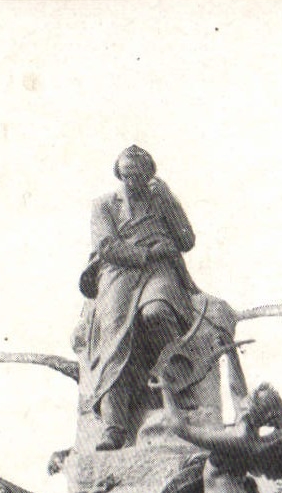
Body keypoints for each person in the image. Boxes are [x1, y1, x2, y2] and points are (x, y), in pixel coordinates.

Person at [81, 145, 197, 450]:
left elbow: (186, 240)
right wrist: (146, 252)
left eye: (139, 176)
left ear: (149, 176)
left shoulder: (161, 201)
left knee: (156, 313)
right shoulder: (104, 204)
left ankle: (177, 388)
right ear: (119, 174)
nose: (132, 182)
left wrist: (170, 200)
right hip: (120, 270)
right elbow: (107, 246)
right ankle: (114, 425)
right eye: (127, 176)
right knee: (116, 333)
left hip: (160, 269)